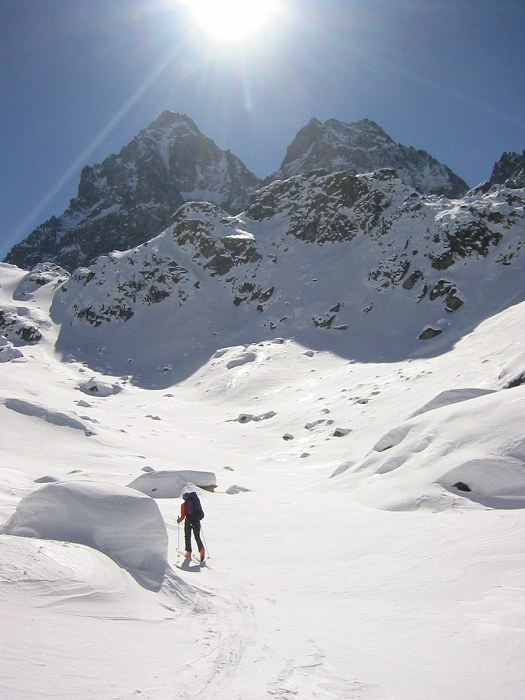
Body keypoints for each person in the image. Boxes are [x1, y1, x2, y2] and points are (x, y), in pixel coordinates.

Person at [177, 491, 205, 561]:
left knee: (187, 536)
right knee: (197, 536)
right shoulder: (195, 503)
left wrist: (178, 520)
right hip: (196, 521)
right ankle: (201, 550)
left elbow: (182, 517)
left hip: (188, 522)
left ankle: (188, 552)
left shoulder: (183, 505)